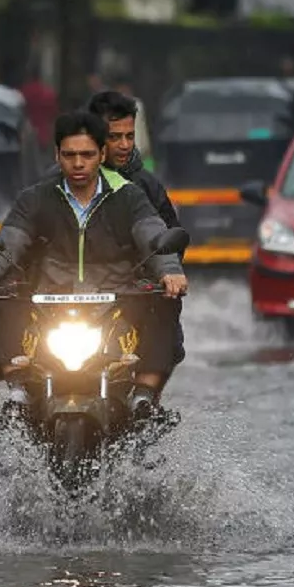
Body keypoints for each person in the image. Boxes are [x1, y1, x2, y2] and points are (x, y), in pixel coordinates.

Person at [0, 111, 188, 415]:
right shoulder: (35, 199)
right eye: (70, 155)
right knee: (6, 294)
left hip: (117, 304)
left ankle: (144, 397)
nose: (78, 163)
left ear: (102, 154)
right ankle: (17, 393)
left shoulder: (129, 197)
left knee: (164, 300)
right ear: (57, 155)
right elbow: (9, 244)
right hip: (48, 306)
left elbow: (153, 236)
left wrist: (171, 273)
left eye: (87, 154)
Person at [87, 89, 187, 384]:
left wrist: (164, 274)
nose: (123, 145)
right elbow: (33, 233)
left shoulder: (147, 187)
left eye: (129, 136)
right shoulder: (57, 183)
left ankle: (146, 394)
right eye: (114, 136)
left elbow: (166, 238)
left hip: (132, 296)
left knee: (163, 307)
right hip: (71, 296)